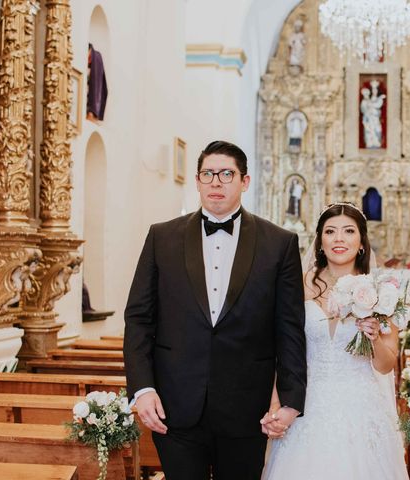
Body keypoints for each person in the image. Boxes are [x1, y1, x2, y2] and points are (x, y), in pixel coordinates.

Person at [124, 140, 307, 480]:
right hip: (173, 405)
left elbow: (289, 328)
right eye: (208, 173)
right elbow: (138, 318)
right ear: (197, 180)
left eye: (226, 174)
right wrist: (143, 388)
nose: (216, 182)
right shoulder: (162, 237)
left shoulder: (279, 243)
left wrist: (291, 399)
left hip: (245, 407)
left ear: (245, 181)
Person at [261, 203, 409, 480]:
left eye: (348, 231)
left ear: (362, 242)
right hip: (304, 404)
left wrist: (374, 337)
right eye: (330, 231)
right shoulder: (297, 285)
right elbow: (281, 350)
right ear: (320, 241)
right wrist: (275, 404)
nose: (339, 238)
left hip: (360, 408)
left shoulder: (382, 291)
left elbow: (387, 365)